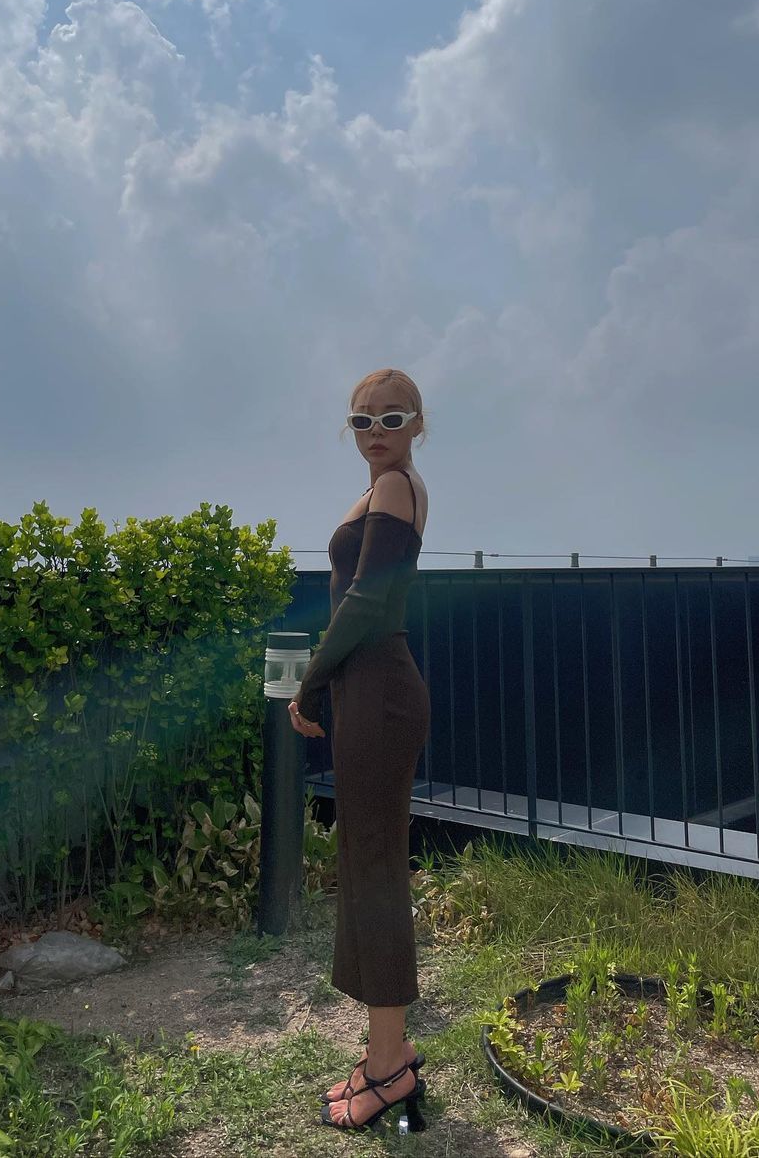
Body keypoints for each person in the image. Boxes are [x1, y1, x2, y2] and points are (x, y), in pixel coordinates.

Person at [288, 367, 432, 1133]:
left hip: (377, 690)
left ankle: (389, 1070)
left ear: (417, 425)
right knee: (366, 865)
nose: (376, 431)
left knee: (375, 871)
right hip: (366, 689)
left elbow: (368, 601)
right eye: (362, 420)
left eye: (392, 417)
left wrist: (310, 682)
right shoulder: (383, 489)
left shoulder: (398, 487)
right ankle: (389, 1048)